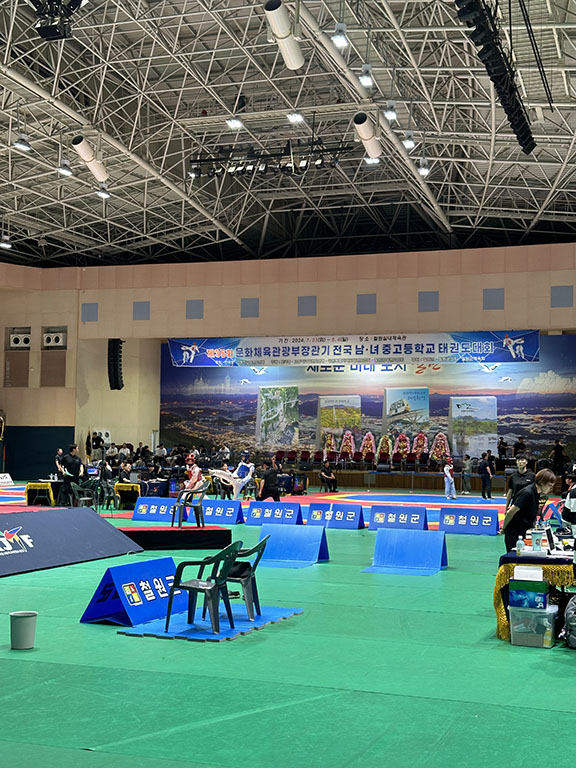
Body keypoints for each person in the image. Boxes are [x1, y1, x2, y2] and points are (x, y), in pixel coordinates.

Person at [501, 469, 556, 551]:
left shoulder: (536, 492)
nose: (551, 488)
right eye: (549, 485)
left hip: (524, 530)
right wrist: (504, 528)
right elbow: (510, 512)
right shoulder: (527, 493)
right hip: (515, 532)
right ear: (542, 482)